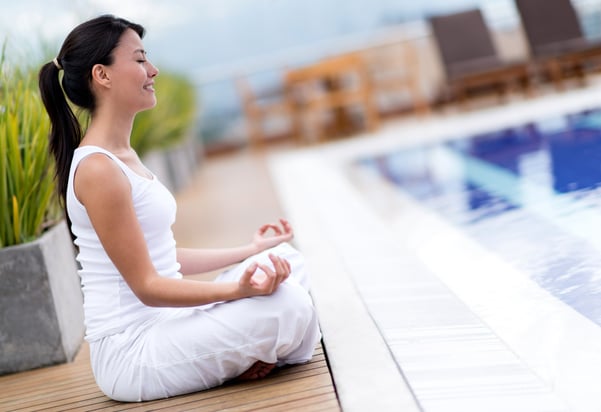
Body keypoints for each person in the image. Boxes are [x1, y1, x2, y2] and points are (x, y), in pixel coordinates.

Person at [38, 15, 320, 402]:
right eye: (139, 60)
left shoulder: (123, 156)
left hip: (170, 326)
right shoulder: (98, 169)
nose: (152, 70)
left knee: (286, 260)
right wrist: (237, 292)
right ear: (101, 75)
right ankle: (248, 355)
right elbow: (148, 286)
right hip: (133, 353)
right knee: (287, 304)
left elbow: (162, 257)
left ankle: (249, 354)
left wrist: (251, 250)